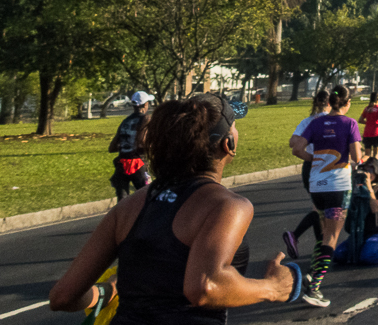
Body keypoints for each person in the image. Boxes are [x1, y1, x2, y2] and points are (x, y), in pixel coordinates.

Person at [49, 94, 302, 321]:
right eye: (235, 127)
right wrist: (273, 288)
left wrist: (106, 291)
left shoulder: (129, 206)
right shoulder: (227, 206)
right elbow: (204, 287)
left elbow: (62, 296)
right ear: (228, 144)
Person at [297, 85, 363, 307]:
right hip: (338, 186)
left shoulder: (316, 122)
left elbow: (296, 148)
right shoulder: (350, 123)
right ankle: (314, 288)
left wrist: (313, 158)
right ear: (347, 103)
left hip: (316, 186)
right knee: (331, 238)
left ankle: (313, 272)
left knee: (324, 232)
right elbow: (356, 156)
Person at [284, 89, 330, 258]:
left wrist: (309, 155)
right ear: (330, 102)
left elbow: (292, 142)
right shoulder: (331, 121)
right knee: (322, 210)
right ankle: (296, 235)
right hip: (324, 166)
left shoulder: (307, 121)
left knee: (318, 208)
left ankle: (320, 247)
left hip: (308, 167)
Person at [108, 91, 154, 200]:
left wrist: (126, 147)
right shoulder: (146, 119)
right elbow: (142, 141)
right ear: (146, 104)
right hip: (137, 164)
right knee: (146, 198)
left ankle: (123, 217)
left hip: (122, 165)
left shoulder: (125, 121)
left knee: (122, 201)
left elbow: (112, 148)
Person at [357, 93, 378, 160]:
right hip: (376, 133)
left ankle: (359, 163)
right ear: (377, 99)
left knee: (367, 154)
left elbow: (360, 120)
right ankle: (374, 168)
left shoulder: (367, 108)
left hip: (367, 133)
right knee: (375, 154)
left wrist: (368, 122)